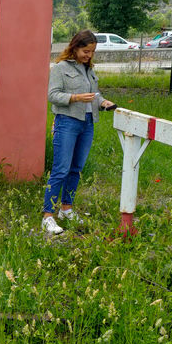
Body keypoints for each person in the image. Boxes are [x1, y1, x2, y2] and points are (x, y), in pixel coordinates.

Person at [42, 29, 116, 235]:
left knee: (76, 168)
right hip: (67, 123)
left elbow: (94, 95)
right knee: (61, 169)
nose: (89, 55)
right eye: (85, 51)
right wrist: (75, 98)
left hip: (87, 123)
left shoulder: (88, 69)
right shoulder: (60, 68)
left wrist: (103, 102)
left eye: (92, 51)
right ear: (74, 47)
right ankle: (48, 216)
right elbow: (52, 95)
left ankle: (66, 209)